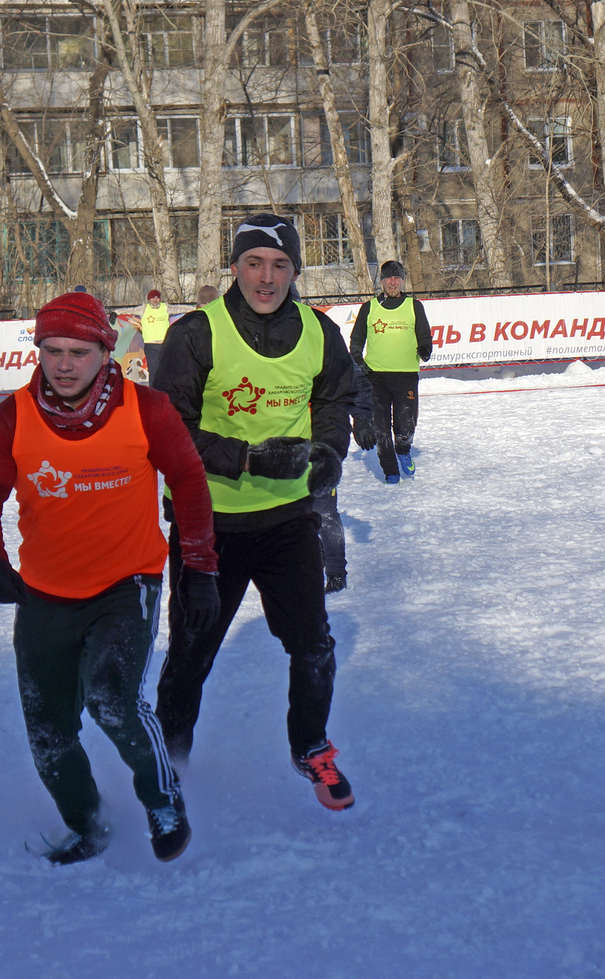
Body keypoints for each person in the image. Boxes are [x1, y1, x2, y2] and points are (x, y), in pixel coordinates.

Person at [0, 292, 220, 865]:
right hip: (45, 594)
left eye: (79, 351)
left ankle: (163, 799)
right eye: (51, 350)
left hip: (128, 585)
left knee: (111, 698)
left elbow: (190, 482)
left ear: (107, 350)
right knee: (48, 730)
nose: (64, 364)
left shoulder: (146, 409)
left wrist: (199, 568)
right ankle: (90, 824)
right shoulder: (10, 420)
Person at [149, 213, 357, 812]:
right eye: (254, 264)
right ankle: (170, 762)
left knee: (313, 643)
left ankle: (311, 746)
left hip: (287, 522)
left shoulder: (320, 332)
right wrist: (247, 459)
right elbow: (169, 428)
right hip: (207, 526)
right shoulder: (198, 333)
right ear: (234, 267)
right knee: (193, 648)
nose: (267, 278)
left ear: (295, 271)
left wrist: (327, 451)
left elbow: (335, 397)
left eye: (280, 265)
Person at [348, 260, 433, 484]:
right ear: (382, 281)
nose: (393, 282)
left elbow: (424, 334)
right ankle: (390, 471)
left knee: (405, 425)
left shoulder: (414, 306)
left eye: (397, 278)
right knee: (380, 428)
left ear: (402, 281)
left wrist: (425, 349)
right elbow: (356, 339)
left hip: (405, 376)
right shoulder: (369, 307)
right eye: (388, 278)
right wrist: (358, 359)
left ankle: (403, 450)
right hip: (375, 377)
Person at [313, 364, 374, 594]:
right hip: (285, 441)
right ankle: (313, 558)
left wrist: (362, 420)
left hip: (324, 440)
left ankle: (336, 573)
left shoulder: (321, 336)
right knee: (293, 512)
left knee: (324, 511)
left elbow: (356, 379)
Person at [141, 289, 171, 379]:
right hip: (150, 345)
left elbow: (179, 308)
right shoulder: (144, 308)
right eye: (153, 298)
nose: (155, 300)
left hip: (164, 344)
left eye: (157, 298)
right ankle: (153, 392)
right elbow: (129, 310)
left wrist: (196, 308)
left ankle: (166, 392)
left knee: (166, 371)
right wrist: (116, 313)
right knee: (154, 371)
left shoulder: (165, 307)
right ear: (149, 299)